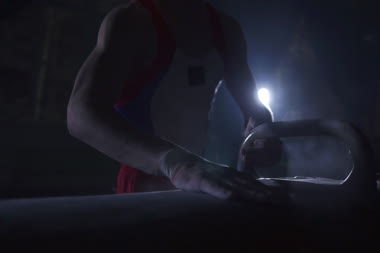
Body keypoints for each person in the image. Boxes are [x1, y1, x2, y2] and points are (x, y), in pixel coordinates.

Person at [67, 0, 281, 202]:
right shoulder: (132, 22)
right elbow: (80, 113)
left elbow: (256, 111)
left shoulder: (226, 30)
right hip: (143, 189)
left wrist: (263, 136)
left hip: (203, 182)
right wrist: (176, 164)